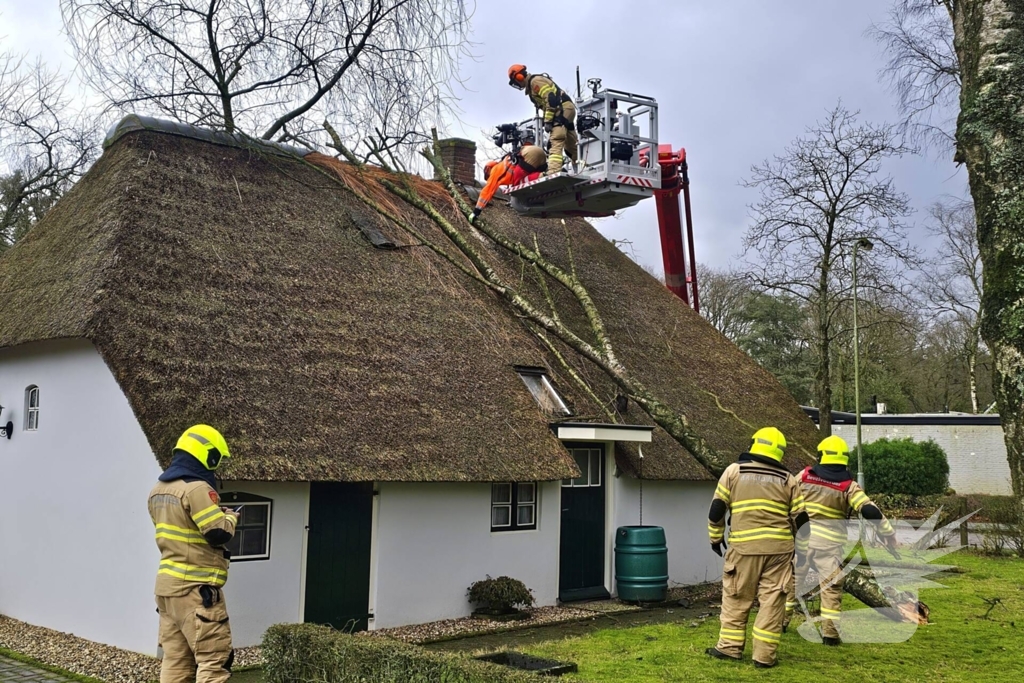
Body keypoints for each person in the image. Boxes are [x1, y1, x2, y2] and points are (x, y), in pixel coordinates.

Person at [706, 427, 810, 669]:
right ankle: (764, 657)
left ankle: (730, 649)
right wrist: (802, 552)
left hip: (744, 549)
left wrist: (715, 538)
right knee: (773, 602)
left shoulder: (734, 471)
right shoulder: (789, 480)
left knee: (736, 597)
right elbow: (802, 521)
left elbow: (717, 510)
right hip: (779, 551)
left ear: (754, 444)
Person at [783, 435, 898, 645]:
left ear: (821, 456)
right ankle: (830, 635)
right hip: (829, 547)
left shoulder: (804, 476)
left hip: (801, 543)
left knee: (791, 585)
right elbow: (870, 510)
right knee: (831, 590)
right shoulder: (848, 486)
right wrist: (888, 533)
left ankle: (781, 622)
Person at [149, 425, 239, 683]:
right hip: (196, 591)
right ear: (208, 456)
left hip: (167, 591)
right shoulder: (197, 488)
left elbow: (184, 529)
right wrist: (230, 518)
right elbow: (217, 534)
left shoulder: (158, 490)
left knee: (176, 663)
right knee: (214, 663)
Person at [507, 64, 578, 175]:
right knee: (571, 144)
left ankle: (553, 172)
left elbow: (551, 99)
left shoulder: (535, 82)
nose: (517, 84)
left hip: (562, 109)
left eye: (516, 81)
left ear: (519, 77)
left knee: (556, 140)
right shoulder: (532, 86)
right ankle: (582, 165)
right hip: (563, 109)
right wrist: (548, 120)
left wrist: (548, 121)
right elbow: (547, 104)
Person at [470, 135, 547, 222]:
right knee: (526, 179)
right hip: (537, 153)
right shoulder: (504, 164)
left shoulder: (495, 172)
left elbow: (487, 191)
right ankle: (548, 172)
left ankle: (543, 175)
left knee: (517, 186)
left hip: (529, 155)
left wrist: (476, 212)